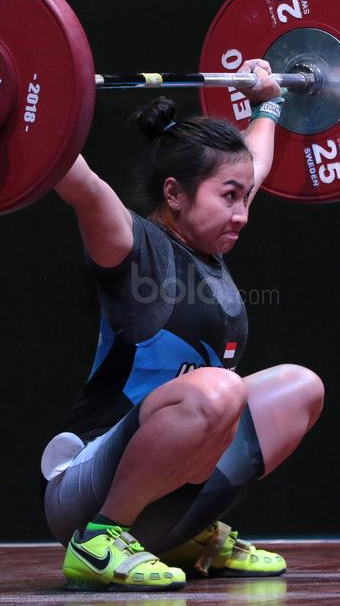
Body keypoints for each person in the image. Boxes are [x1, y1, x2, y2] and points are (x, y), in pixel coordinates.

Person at [41, 60, 325, 592]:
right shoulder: (130, 244)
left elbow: (252, 164)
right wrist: (28, 113)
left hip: (165, 497)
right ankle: (100, 541)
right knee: (219, 389)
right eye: (229, 197)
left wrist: (269, 104)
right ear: (174, 194)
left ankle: (192, 538)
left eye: (245, 197)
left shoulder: (212, 243)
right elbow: (77, 182)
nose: (243, 211)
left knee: (301, 388)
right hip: (84, 491)